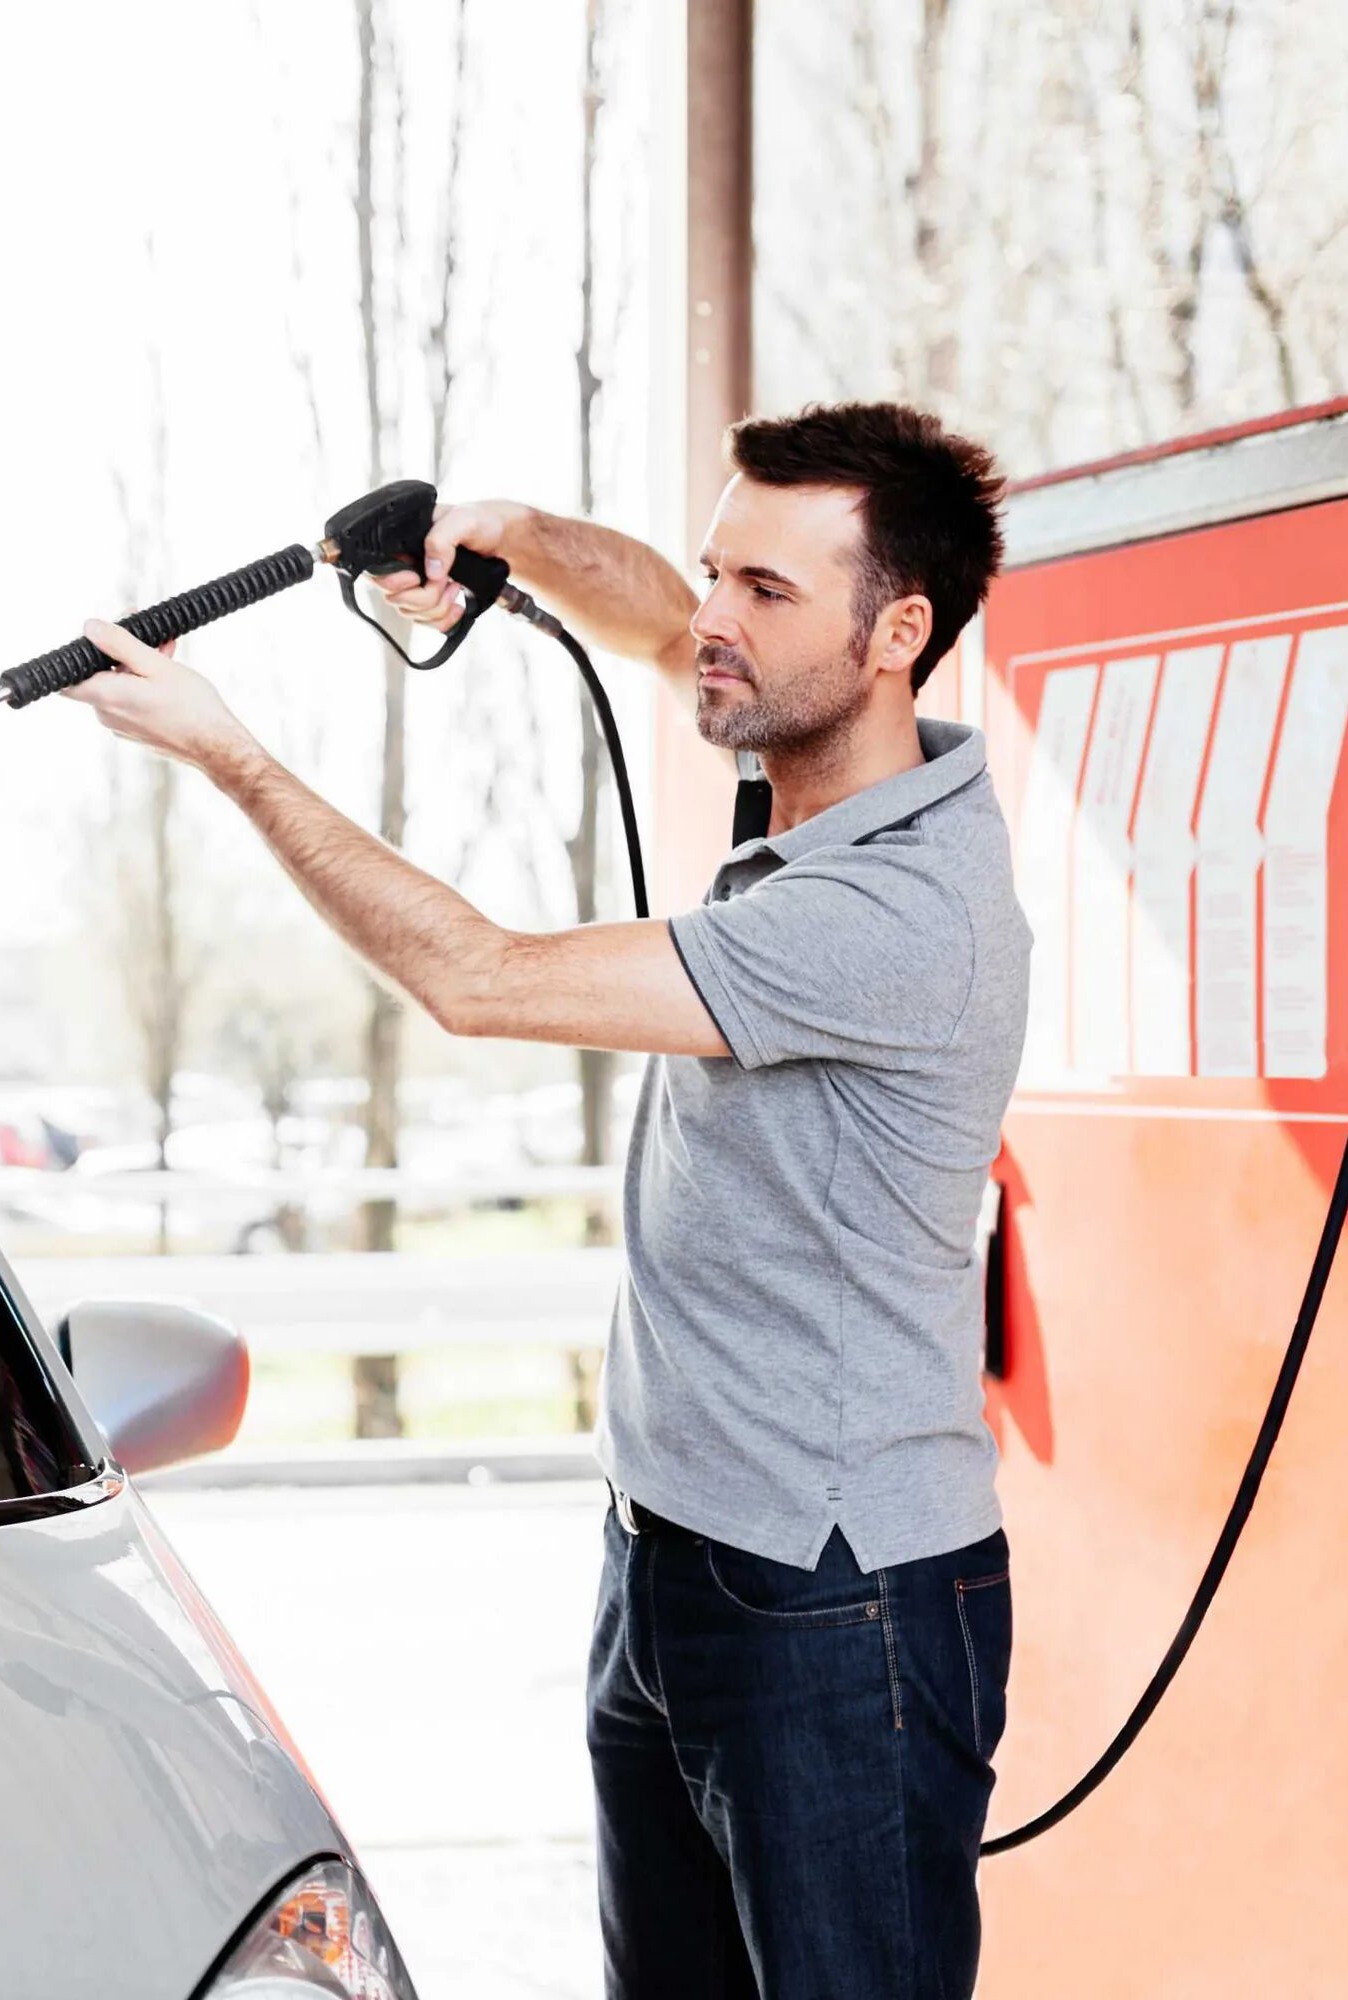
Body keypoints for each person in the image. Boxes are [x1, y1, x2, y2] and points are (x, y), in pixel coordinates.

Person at [67, 401, 1023, 2000]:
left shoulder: (897, 909)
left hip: (834, 1601)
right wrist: (502, 532)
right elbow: (649, 613)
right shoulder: (810, 769)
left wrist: (226, 751)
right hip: (668, 1557)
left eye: (768, 593)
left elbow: (478, 979)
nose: (716, 618)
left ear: (895, 633)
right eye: (726, 569)